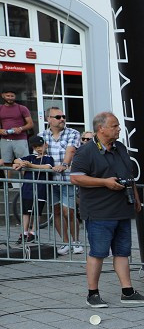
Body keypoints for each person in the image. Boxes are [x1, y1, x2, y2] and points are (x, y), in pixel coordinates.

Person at [69, 112, 144, 307]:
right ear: (101, 129)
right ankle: (93, 294)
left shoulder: (120, 148)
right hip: (99, 212)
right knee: (98, 253)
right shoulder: (86, 151)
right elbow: (76, 178)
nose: (118, 129)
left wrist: (137, 198)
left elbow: (129, 176)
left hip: (122, 209)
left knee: (122, 252)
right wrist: (104, 183)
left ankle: (128, 291)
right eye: (114, 126)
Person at [40, 107, 83, 254]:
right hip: (51, 181)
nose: (62, 119)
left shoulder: (73, 133)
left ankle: (76, 241)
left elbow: (71, 150)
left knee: (68, 211)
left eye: (63, 116)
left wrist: (64, 164)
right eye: (58, 117)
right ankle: (65, 243)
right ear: (49, 119)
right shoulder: (42, 135)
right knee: (56, 211)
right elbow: (37, 155)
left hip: (67, 179)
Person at [12, 136, 54, 244]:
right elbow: (17, 159)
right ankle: (24, 232)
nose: (39, 149)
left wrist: (30, 165)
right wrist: (20, 163)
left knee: (36, 211)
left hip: (40, 189)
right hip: (27, 188)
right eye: (36, 147)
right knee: (25, 211)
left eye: (40, 146)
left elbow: (47, 167)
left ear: (46, 145)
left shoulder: (48, 158)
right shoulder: (31, 156)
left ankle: (33, 232)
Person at [0, 90, 33, 167]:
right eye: (8, 96)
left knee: (23, 162)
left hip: (20, 139)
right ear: (3, 96)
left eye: (12, 96)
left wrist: (20, 128)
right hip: (5, 140)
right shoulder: (0, 108)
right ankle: (9, 179)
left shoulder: (22, 108)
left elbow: (30, 124)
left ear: (15, 97)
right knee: (6, 163)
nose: (10, 98)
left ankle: (24, 179)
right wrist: (0, 130)